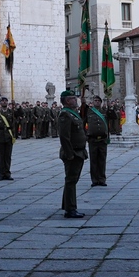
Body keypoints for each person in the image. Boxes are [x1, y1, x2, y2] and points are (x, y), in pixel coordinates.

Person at [57, 90, 87, 218]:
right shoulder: (65, 115)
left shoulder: (73, 113)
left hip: (78, 151)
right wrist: (69, 154)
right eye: (74, 98)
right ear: (68, 100)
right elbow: (64, 137)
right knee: (71, 180)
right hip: (73, 153)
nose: (76, 100)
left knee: (72, 180)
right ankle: (70, 209)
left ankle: (68, 206)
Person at [86, 94, 110, 186]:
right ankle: (95, 180)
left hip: (102, 139)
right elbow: (83, 122)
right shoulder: (89, 112)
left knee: (102, 160)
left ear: (100, 102)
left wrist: (109, 106)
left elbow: (113, 117)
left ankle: (102, 179)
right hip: (93, 139)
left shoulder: (104, 111)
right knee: (94, 160)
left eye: (98, 101)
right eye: (95, 101)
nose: (97, 102)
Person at [0, 97, 15, 180]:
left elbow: (15, 122)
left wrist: (14, 136)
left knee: (8, 156)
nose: (4, 102)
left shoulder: (11, 112)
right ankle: (1, 174)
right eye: (3, 101)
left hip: (9, 136)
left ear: (7, 103)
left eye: (5, 101)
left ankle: (7, 173)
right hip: (0, 137)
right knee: (1, 156)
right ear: (0, 103)